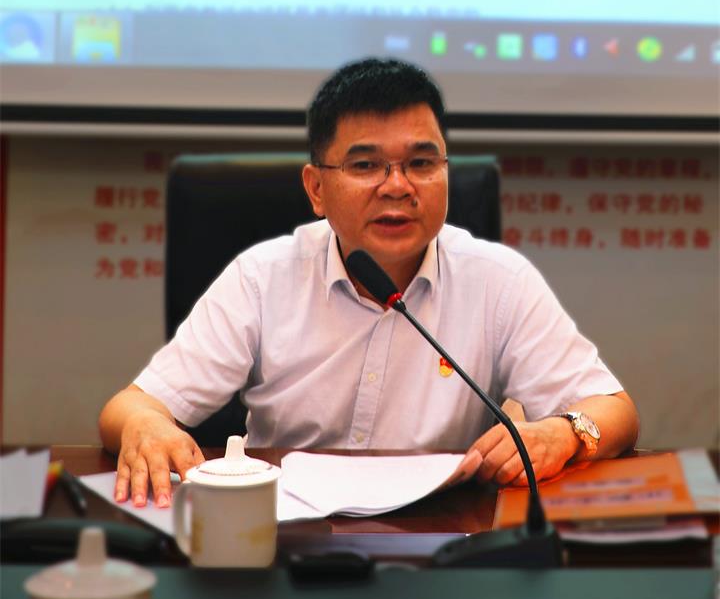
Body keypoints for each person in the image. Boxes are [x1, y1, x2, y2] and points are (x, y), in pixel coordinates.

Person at [99, 57, 639, 507]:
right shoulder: (264, 277)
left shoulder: (497, 280)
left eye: (421, 163)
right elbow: (129, 407)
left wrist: (566, 432)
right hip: (284, 535)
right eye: (365, 166)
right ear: (316, 189)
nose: (397, 186)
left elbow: (615, 411)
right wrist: (145, 425)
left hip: (440, 534)